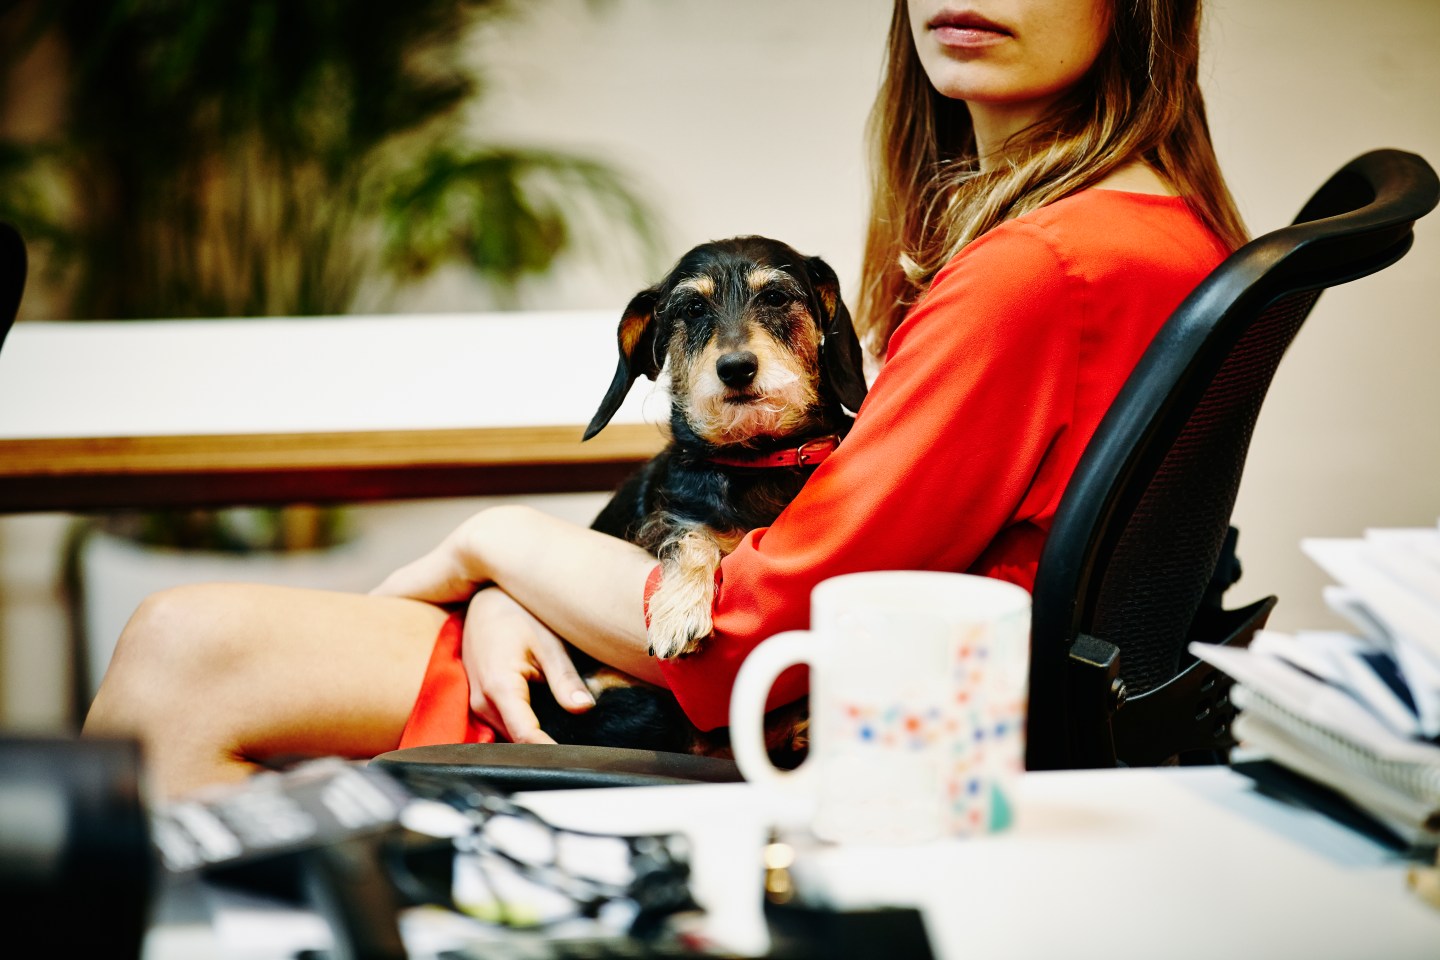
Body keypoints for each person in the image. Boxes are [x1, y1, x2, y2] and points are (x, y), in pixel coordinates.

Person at [84, 0, 1246, 798]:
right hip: (815, 685)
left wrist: (494, 545)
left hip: (773, 720)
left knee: (187, 649)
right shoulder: (1154, 230)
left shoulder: (1036, 270)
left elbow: (750, 632)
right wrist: (526, 590)